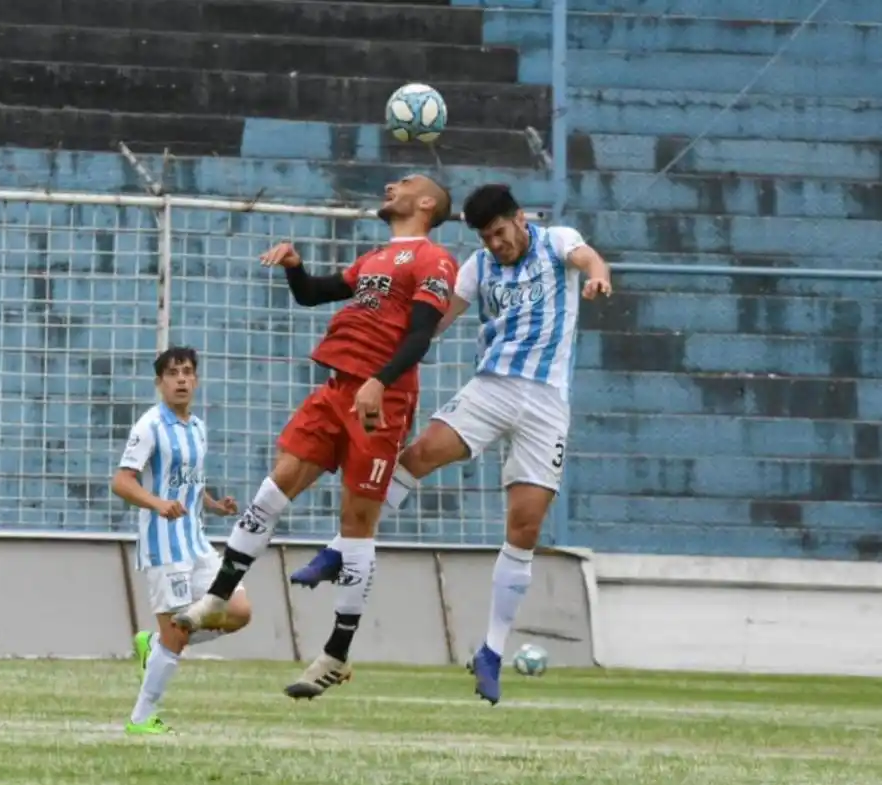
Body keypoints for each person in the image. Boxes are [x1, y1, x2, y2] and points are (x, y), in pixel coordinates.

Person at [289, 183, 612, 705]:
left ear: (520, 219)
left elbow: (588, 257)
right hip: (492, 387)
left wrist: (596, 277)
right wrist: (382, 357)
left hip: (548, 403)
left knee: (524, 526)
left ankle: (490, 651)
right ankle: (337, 550)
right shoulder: (478, 267)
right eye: (486, 237)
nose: (496, 244)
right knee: (417, 456)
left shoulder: (556, 242)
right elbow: (432, 323)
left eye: (501, 233)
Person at [172, 174, 458, 699]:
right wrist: (294, 266)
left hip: (382, 401)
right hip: (336, 390)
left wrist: (379, 382)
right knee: (273, 487)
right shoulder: (375, 259)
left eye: (405, 182)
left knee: (355, 526)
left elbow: (420, 334)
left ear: (426, 203)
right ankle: (218, 597)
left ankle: (335, 654)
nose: (389, 183)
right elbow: (312, 296)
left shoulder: (433, 260)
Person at [112, 346, 252, 734]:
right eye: (173, 374)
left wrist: (213, 504)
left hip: (196, 542)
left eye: (188, 372)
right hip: (163, 546)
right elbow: (121, 481)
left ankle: (156, 643)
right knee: (177, 635)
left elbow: (190, 480)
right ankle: (141, 718)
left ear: (197, 379)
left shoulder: (198, 427)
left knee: (239, 610)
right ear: (159, 383)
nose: (182, 380)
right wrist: (157, 503)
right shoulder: (149, 426)